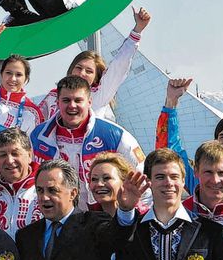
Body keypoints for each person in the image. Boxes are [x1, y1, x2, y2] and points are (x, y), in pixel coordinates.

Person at [30, 75, 144, 208]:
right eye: (66, 100)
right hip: (59, 216)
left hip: (105, 217)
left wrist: (130, 215)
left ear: (89, 101)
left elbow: (142, 178)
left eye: (78, 100)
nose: (72, 106)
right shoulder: (38, 136)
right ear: (57, 102)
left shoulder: (114, 134)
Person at [32, 9, 150, 123]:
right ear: (71, 69)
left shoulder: (98, 97)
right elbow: (34, 124)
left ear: (96, 77)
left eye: (89, 71)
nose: (82, 73)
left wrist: (137, 31)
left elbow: (119, 67)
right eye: (78, 68)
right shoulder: (54, 97)